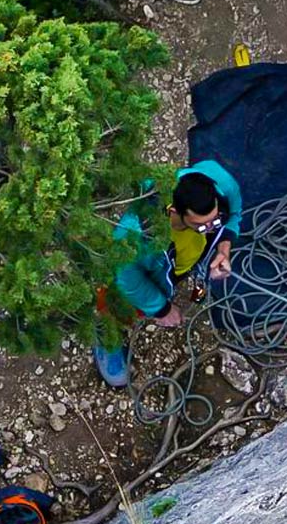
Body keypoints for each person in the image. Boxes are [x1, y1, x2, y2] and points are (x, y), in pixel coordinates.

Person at [93, 160, 244, 387]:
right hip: (140, 274)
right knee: (115, 299)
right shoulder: (133, 237)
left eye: (216, 219)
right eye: (203, 226)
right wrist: (162, 309)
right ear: (174, 212)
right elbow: (128, 279)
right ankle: (106, 333)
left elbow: (235, 211)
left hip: (175, 264)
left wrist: (224, 246)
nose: (212, 228)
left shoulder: (220, 184)